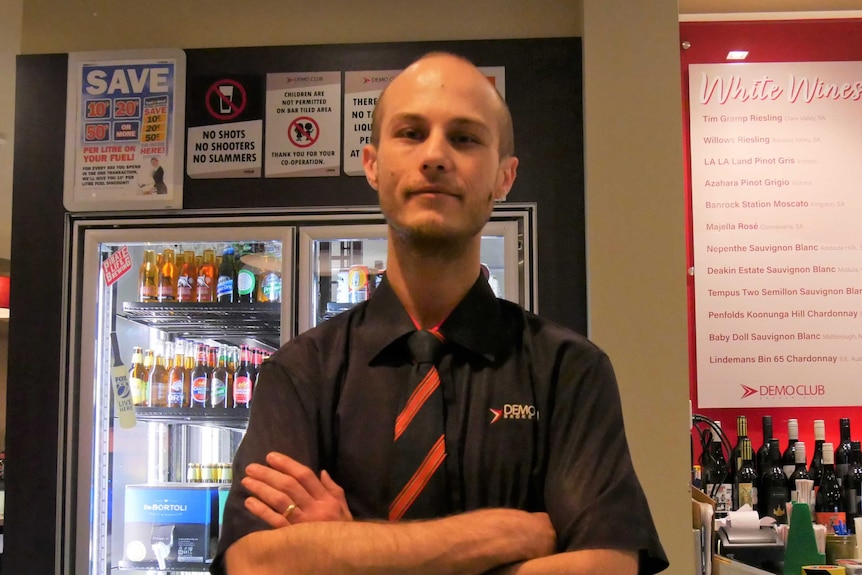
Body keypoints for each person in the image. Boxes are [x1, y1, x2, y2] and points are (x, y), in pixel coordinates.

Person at [212, 52, 669, 575]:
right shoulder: (300, 373)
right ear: (373, 165)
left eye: (465, 138)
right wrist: (503, 535)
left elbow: (604, 569)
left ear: (504, 176)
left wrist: (346, 549)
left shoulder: (569, 372)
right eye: (410, 133)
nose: (435, 156)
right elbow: (256, 566)